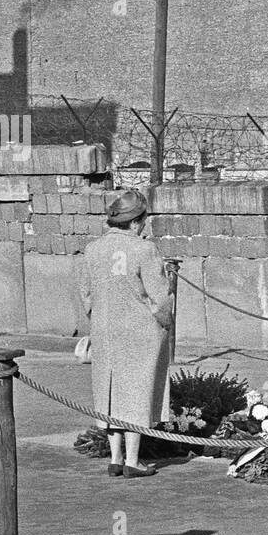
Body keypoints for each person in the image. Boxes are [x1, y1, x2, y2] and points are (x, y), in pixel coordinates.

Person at [79, 189, 174, 479]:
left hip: (106, 330)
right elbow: (159, 297)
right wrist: (165, 321)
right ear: (135, 222)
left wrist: (98, 318)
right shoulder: (145, 249)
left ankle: (115, 458)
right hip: (139, 331)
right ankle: (133, 460)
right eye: (143, 220)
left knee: (110, 392)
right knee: (136, 392)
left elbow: (86, 293)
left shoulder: (93, 249)